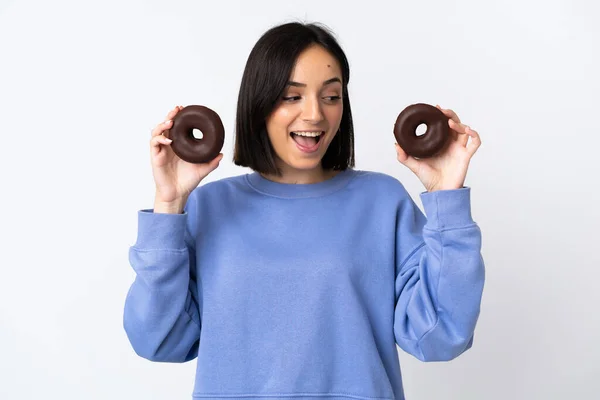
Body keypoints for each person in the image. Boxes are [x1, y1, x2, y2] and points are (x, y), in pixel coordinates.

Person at [123, 21, 485, 400]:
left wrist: (447, 199)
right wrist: (168, 205)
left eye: (331, 96)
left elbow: (441, 336)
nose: (315, 114)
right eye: (291, 96)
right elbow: (157, 339)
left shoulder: (382, 201)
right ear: (259, 104)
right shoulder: (209, 207)